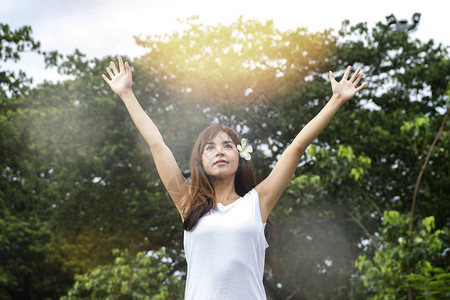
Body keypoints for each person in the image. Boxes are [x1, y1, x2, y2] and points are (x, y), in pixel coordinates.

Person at [102, 57, 366, 299]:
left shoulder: (258, 202)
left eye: (228, 146)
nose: (219, 151)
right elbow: (157, 145)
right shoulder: (188, 202)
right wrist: (126, 94)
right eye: (210, 147)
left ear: (240, 158)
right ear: (200, 162)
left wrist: (336, 100)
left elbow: (295, 148)